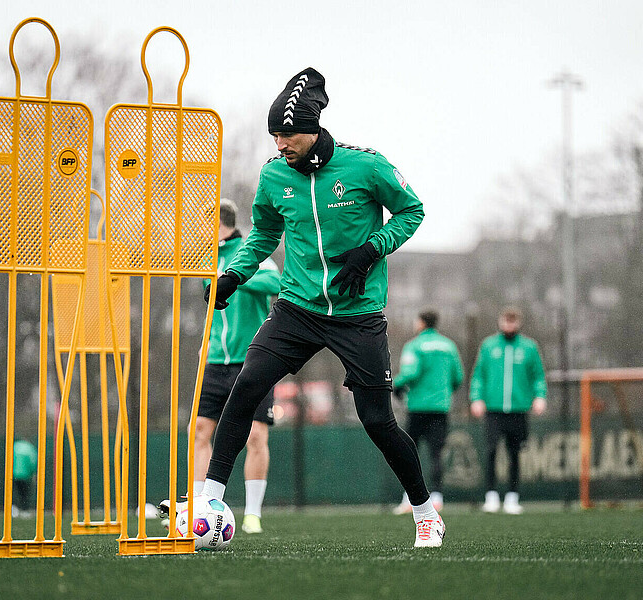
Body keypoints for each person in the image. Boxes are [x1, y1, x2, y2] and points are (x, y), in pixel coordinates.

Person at [201, 67, 443, 547]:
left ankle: (424, 510)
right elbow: (265, 235)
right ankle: (211, 497)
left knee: (377, 419)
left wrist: (372, 248)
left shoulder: (366, 166)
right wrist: (234, 274)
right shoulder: (273, 176)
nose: (279, 145)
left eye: (287, 135)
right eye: (274, 136)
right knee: (248, 383)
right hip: (297, 308)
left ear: (312, 129)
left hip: (358, 314)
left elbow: (412, 210)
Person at [190, 198, 281, 535]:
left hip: (252, 359)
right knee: (200, 430)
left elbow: (276, 283)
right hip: (215, 360)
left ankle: (252, 513)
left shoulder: (250, 251)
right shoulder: (206, 258)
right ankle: (201, 505)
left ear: (218, 221)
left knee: (255, 434)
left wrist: (236, 276)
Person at [469, 307, 547, 515]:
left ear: (518, 323)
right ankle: (491, 496)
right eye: (506, 321)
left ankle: (512, 496)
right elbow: (478, 375)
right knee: (491, 451)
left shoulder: (529, 347)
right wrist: (476, 398)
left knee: (515, 453)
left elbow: (538, 375)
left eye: (513, 322)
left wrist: (540, 396)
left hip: (518, 409)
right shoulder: (489, 346)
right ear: (500, 322)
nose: (509, 325)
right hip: (493, 409)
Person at [391, 310, 463, 515]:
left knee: (409, 453)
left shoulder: (414, 345)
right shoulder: (449, 346)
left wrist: (397, 385)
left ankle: (410, 499)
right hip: (440, 408)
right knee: (437, 453)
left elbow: (410, 372)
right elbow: (458, 376)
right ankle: (437, 497)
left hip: (418, 407)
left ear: (421, 323)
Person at [11, 437, 37, 517]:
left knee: (15, 492)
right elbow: (33, 461)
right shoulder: (30, 448)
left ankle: (14, 509)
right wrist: (33, 472)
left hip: (14, 473)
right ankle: (24, 510)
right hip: (25, 475)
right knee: (25, 493)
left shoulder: (15, 446)